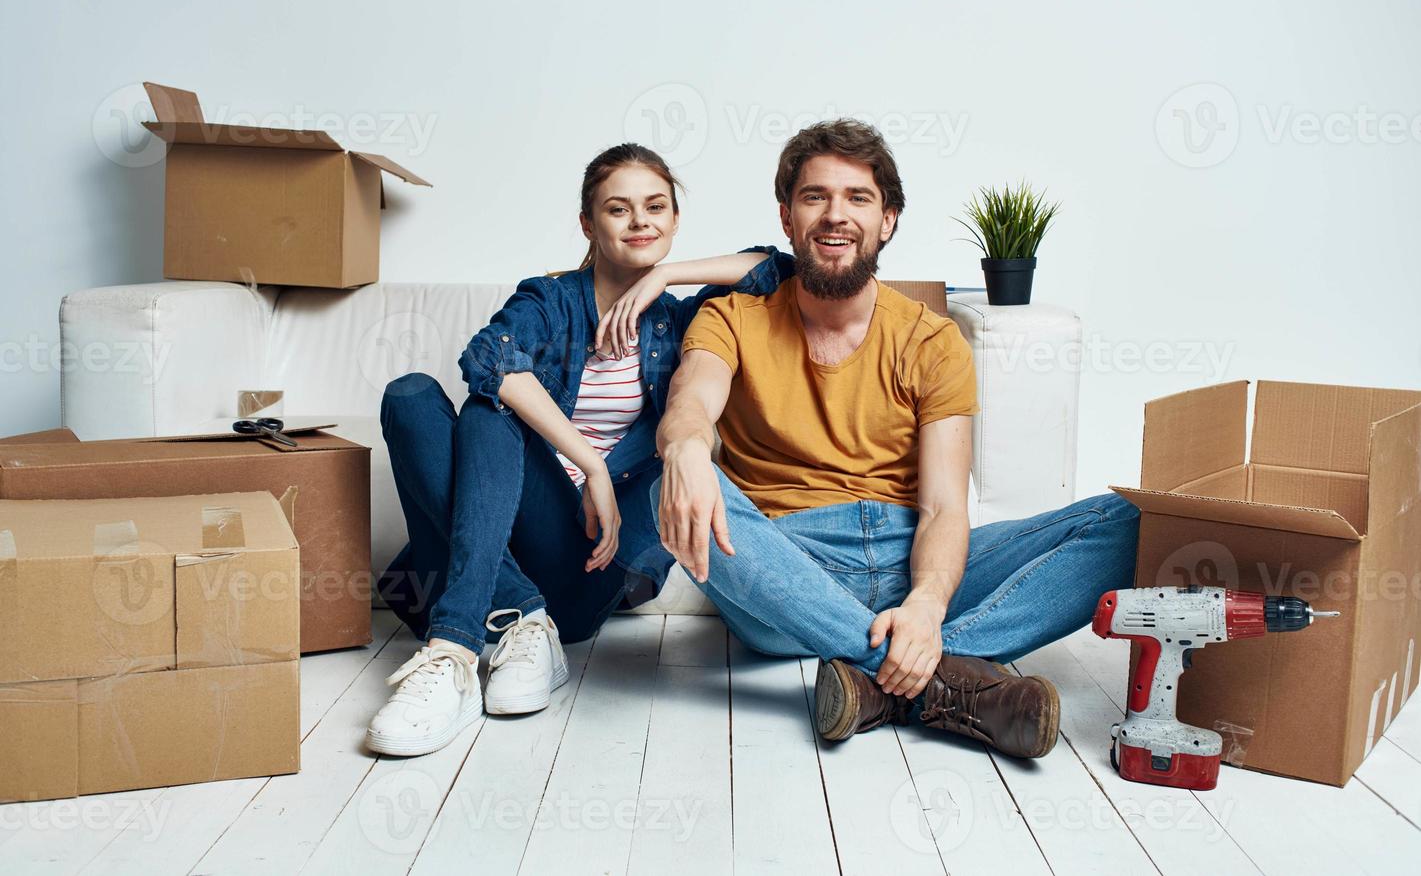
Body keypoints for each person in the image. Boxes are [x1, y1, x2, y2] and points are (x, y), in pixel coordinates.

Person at [651, 119, 1139, 758]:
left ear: (889, 221)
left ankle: (882, 675)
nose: (836, 216)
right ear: (786, 217)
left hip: (915, 556)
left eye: (858, 198)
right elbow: (692, 400)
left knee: (1130, 520)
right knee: (673, 477)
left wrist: (928, 605)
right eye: (815, 196)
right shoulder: (730, 318)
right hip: (785, 567)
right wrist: (685, 447)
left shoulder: (932, 341)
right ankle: (945, 682)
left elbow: (943, 507)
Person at [366, 143, 793, 757]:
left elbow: (777, 270)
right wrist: (589, 463)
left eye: (656, 207)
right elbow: (487, 360)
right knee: (425, 397)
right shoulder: (549, 300)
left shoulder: (678, 321)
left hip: (591, 561)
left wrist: (667, 276)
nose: (640, 221)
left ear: (675, 222)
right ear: (589, 225)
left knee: (496, 405)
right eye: (618, 209)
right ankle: (476, 638)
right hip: (502, 541)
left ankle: (485, 627)